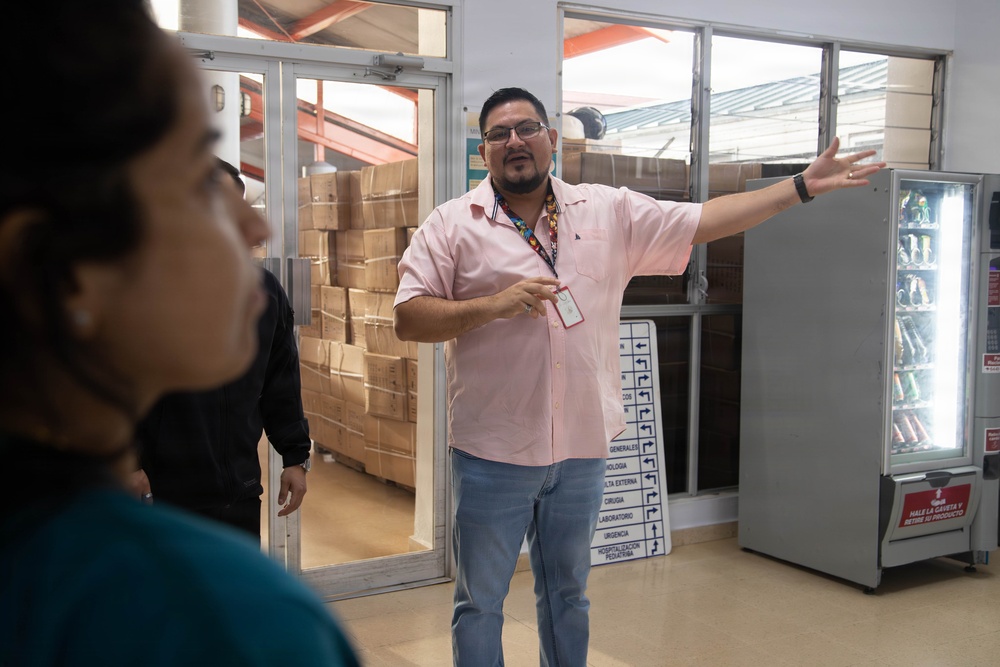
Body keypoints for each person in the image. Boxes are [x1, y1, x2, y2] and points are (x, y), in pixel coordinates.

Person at [393, 86, 884, 666]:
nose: (515, 142)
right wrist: (492, 305)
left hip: (581, 448)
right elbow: (408, 318)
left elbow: (703, 220)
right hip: (492, 452)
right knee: (480, 603)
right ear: (484, 152)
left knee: (569, 597)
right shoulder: (452, 225)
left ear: (552, 139)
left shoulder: (606, 210)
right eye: (499, 134)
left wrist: (798, 187)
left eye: (527, 128)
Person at [0, 2, 359, 664]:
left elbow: (281, 382)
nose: (256, 232)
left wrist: (295, 450)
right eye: (199, 183)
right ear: (64, 271)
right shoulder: (220, 620)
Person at [134, 159, 311, 542]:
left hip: (239, 490)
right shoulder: (143, 291)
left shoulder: (264, 292)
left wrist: (295, 457)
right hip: (160, 495)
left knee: (232, 597)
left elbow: (280, 381)